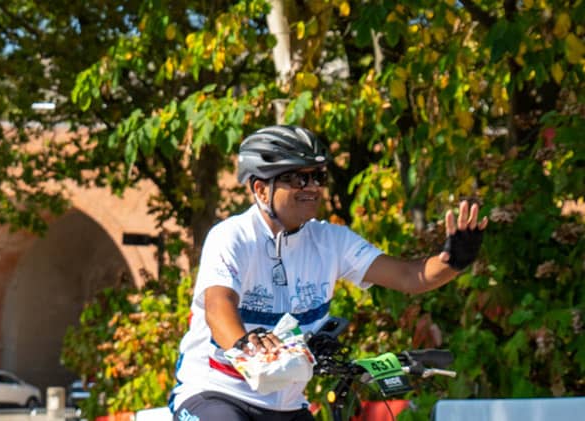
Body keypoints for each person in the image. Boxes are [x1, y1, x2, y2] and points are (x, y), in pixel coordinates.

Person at [168, 125, 487, 421]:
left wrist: (453, 261)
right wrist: (245, 343)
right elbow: (218, 305)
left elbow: (408, 276)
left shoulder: (331, 241)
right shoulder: (232, 237)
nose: (312, 187)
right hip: (216, 393)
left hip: (286, 406)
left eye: (318, 176)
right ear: (261, 189)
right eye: (297, 178)